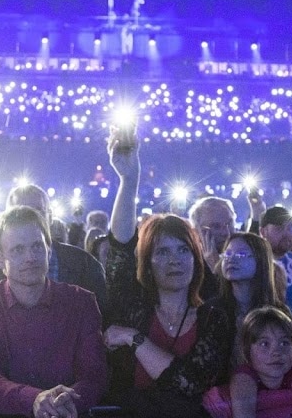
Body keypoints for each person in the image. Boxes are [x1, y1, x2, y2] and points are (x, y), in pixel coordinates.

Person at [102, 129, 230, 417]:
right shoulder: (133, 307)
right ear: (147, 263)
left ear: (196, 260)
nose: (175, 260)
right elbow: (120, 247)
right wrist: (129, 179)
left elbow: (188, 383)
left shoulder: (213, 317)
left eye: (183, 250)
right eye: (163, 252)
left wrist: (134, 339)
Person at [0, 205, 107, 418]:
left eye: (37, 246)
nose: (30, 257)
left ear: (49, 250)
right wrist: (34, 399)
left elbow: (95, 374)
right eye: (18, 250)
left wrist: (61, 403)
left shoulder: (81, 301)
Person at [0, 184, 107, 313]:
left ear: (50, 216)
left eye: (38, 212)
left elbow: (103, 317)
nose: (30, 220)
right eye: (19, 214)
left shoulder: (83, 264)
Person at [257, 205, 292, 322]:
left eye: (290, 228)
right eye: (279, 229)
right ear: (263, 232)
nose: (287, 234)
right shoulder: (257, 264)